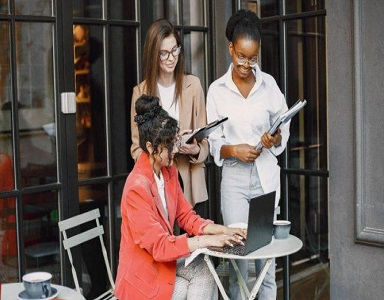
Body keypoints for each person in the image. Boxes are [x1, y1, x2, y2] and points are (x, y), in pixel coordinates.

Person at [114, 95, 246, 300]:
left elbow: (187, 217)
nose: (176, 150)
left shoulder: (168, 171)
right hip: (143, 281)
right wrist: (207, 241)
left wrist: (226, 231)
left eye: (175, 143)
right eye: (170, 146)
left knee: (205, 269)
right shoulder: (136, 189)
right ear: (150, 147)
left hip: (162, 266)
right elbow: (161, 247)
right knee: (191, 285)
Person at [206, 10, 290, 300]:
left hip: (265, 178)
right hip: (234, 181)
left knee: (265, 264)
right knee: (238, 263)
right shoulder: (217, 91)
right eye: (241, 56)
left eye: (252, 58)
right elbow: (214, 142)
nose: (245, 65)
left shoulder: (269, 87)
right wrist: (234, 150)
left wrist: (274, 137)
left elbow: (283, 128)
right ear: (231, 48)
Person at [130, 19, 209, 218]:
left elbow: (205, 140)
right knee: (167, 245)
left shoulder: (194, 85)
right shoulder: (140, 92)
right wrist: (159, 155)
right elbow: (136, 147)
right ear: (153, 54)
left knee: (196, 241)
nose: (171, 58)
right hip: (158, 184)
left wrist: (195, 149)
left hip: (191, 183)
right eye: (163, 53)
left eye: (175, 50)